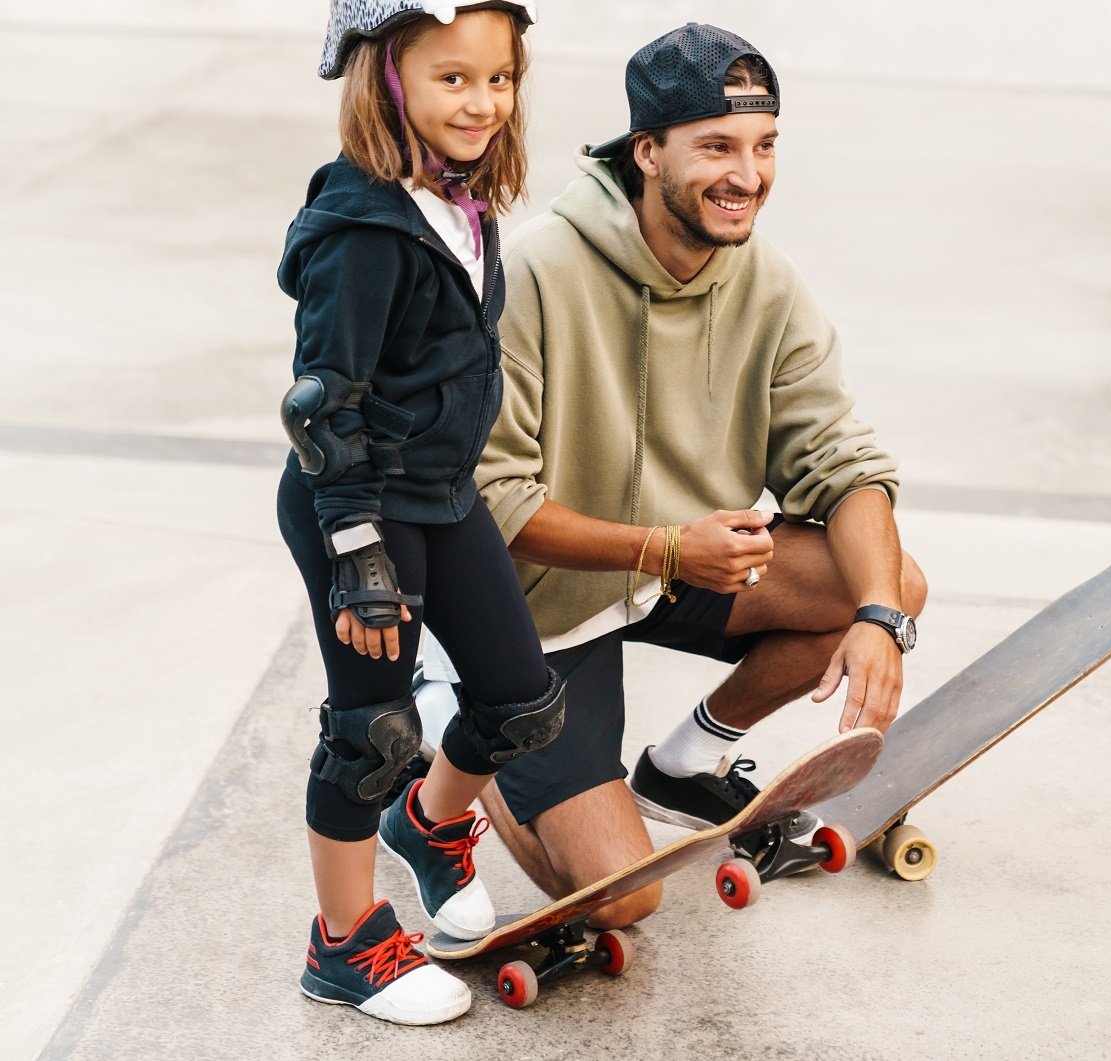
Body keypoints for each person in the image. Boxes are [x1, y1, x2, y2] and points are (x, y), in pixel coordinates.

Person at [424, 22, 927, 928]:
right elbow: (488, 501)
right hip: (537, 606)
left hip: (675, 569)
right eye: (717, 147)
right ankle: (460, 734)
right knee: (622, 898)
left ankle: (688, 760)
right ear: (647, 151)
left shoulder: (764, 282)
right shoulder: (535, 273)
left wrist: (881, 617)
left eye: (764, 145)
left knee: (882, 580)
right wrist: (665, 547)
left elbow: (842, 460)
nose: (747, 175)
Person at [276, 0, 563, 1025]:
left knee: (520, 696)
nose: (483, 101)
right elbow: (322, 403)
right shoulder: (365, 225)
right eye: (454, 78)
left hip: (439, 489)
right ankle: (343, 942)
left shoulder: (458, 198)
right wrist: (357, 550)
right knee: (370, 730)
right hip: (359, 506)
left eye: (500, 77)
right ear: (384, 79)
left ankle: (427, 825)